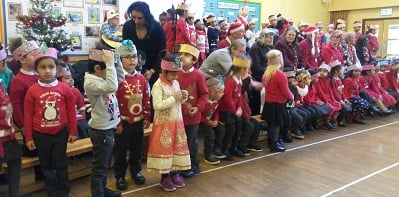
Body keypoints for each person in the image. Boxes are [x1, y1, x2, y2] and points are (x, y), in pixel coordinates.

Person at [24, 47, 77, 196]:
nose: (47, 71)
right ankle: (52, 192)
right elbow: (28, 115)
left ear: (57, 69)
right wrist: (28, 137)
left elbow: (71, 111)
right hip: (40, 135)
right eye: (43, 67)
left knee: (61, 164)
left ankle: (64, 190)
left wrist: (73, 131)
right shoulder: (32, 90)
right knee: (46, 165)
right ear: (36, 70)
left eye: (51, 67)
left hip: (60, 133)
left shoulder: (64, 88)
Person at [146, 54, 191, 192]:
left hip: (177, 122)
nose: (176, 77)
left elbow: (177, 101)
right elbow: (157, 105)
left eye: (177, 74)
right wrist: (174, 98)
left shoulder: (176, 83)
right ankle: (164, 177)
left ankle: (175, 173)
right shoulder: (157, 85)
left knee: (176, 147)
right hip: (164, 124)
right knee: (165, 148)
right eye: (172, 74)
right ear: (164, 71)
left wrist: (183, 97)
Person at [84, 49, 124, 197]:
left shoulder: (101, 78)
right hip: (101, 131)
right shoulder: (90, 82)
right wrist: (109, 63)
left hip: (108, 128)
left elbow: (119, 79)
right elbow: (112, 86)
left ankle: (103, 190)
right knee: (99, 167)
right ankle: (98, 194)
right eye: (108, 68)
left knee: (105, 164)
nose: (111, 71)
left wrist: (116, 61)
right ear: (97, 68)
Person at [114, 40, 150, 190]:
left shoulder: (141, 78)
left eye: (134, 56)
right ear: (120, 59)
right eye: (128, 57)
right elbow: (113, 103)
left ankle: (136, 172)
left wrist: (147, 116)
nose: (132, 60)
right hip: (123, 123)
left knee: (136, 150)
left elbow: (146, 98)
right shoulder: (116, 79)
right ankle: (120, 176)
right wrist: (118, 123)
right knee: (121, 151)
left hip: (138, 121)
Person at [8, 38, 44, 182]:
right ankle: (41, 177)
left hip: (44, 121)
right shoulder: (19, 80)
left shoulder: (40, 75)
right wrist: (22, 126)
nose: (38, 56)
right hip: (30, 125)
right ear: (22, 59)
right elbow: (15, 105)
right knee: (36, 150)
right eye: (33, 54)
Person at [176, 44, 209, 178]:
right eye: (180, 54)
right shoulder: (175, 73)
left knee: (191, 142)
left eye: (186, 55)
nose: (181, 57)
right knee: (179, 141)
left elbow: (204, 94)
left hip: (192, 116)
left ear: (194, 60)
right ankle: (180, 165)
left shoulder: (198, 75)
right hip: (178, 115)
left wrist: (198, 107)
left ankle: (193, 165)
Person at [123, 1, 166, 87]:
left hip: (152, 69)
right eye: (133, 17)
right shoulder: (128, 26)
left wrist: (152, 71)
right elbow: (125, 48)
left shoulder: (157, 29)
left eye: (140, 18)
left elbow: (161, 53)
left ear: (147, 16)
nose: (136, 21)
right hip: (132, 69)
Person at [261, 49, 293, 152]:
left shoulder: (266, 73)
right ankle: (274, 145)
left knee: (271, 124)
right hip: (278, 103)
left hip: (269, 103)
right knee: (276, 125)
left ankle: (271, 143)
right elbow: (285, 91)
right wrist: (291, 96)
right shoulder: (280, 74)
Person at [0, 70, 22, 197]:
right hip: (3, 137)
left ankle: (15, 194)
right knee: (14, 163)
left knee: (15, 162)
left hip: (7, 136)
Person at [56, 62, 88, 139]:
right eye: (67, 78)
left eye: (71, 77)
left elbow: (81, 107)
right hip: (65, 122)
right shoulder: (56, 93)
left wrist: (82, 119)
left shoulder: (75, 91)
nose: (71, 80)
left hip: (79, 121)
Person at [248, 28, 275, 114]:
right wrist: (271, 70)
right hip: (258, 77)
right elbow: (256, 67)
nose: (271, 39)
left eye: (272, 38)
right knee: (257, 100)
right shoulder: (255, 48)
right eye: (269, 37)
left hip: (267, 74)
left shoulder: (269, 47)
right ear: (263, 37)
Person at [200, 78, 225, 164]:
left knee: (221, 129)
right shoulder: (203, 101)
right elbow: (198, 115)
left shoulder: (216, 100)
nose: (223, 94)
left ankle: (216, 149)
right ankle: (208, 155)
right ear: (213, 92)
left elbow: (216, 111)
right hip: (200, 122)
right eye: (221, 92)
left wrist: (216, 120)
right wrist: (207, 122)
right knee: (210, 134)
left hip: (209, 121)